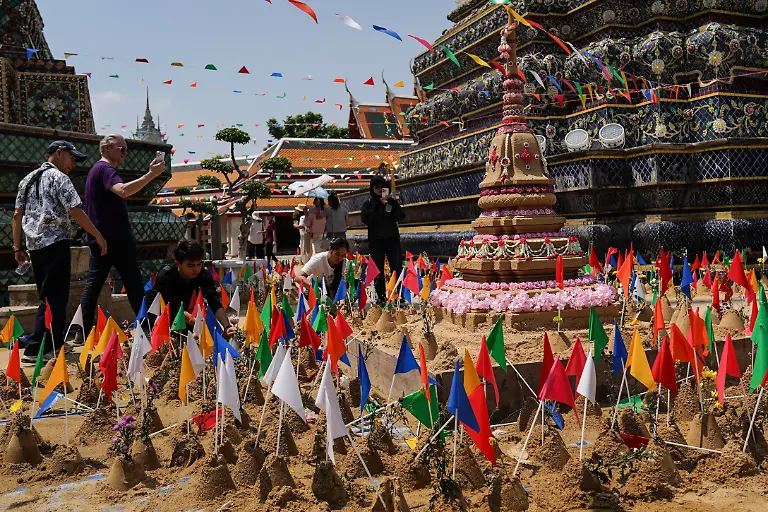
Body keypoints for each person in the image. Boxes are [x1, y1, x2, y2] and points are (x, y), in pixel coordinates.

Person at [13, 141, 108, 362]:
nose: (73, 164)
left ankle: (45, 342)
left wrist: (17, 247)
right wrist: (97, 235)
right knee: (55, 298)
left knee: (46, 296)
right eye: (72, 158)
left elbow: (17, 215)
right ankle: (40, 349)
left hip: (34, 246)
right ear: (59, 153)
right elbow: (75, 209)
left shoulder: (26, 180)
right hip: (55, 243)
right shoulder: (58, 178)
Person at [79, 134, 165, 340]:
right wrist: (150, 175)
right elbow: (124, 191)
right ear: (108, 148)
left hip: (103, 236)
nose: (125, 153)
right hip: (114, 238)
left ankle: (80, 331)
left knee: (97, 284)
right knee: (132, 284)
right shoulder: (105, 169)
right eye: (122, 149)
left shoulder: (97, 170)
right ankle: (147, 326)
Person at [146, 240, 236, 338]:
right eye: (190, 265)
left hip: (189, 317)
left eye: (199, 264)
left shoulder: (203, 276)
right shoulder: (165, 277)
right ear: (178, 264)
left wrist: (227, 327)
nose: (196, 269)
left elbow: (214, 301)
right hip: (161, 317)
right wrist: (201, 325)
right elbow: (175, 307)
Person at [361, 176, 404, 304]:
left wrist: (392, 203)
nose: (380, 190)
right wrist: (378, 205)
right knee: (377, 269)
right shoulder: (368, 203)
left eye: (382, 187)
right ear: (372, 188)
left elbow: (400, 216)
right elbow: (366, 219)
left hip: (392, 240)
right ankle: (380, 296)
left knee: (396, 267)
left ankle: (397, 294)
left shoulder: (391, 201)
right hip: (376, 241)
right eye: (377, 187)